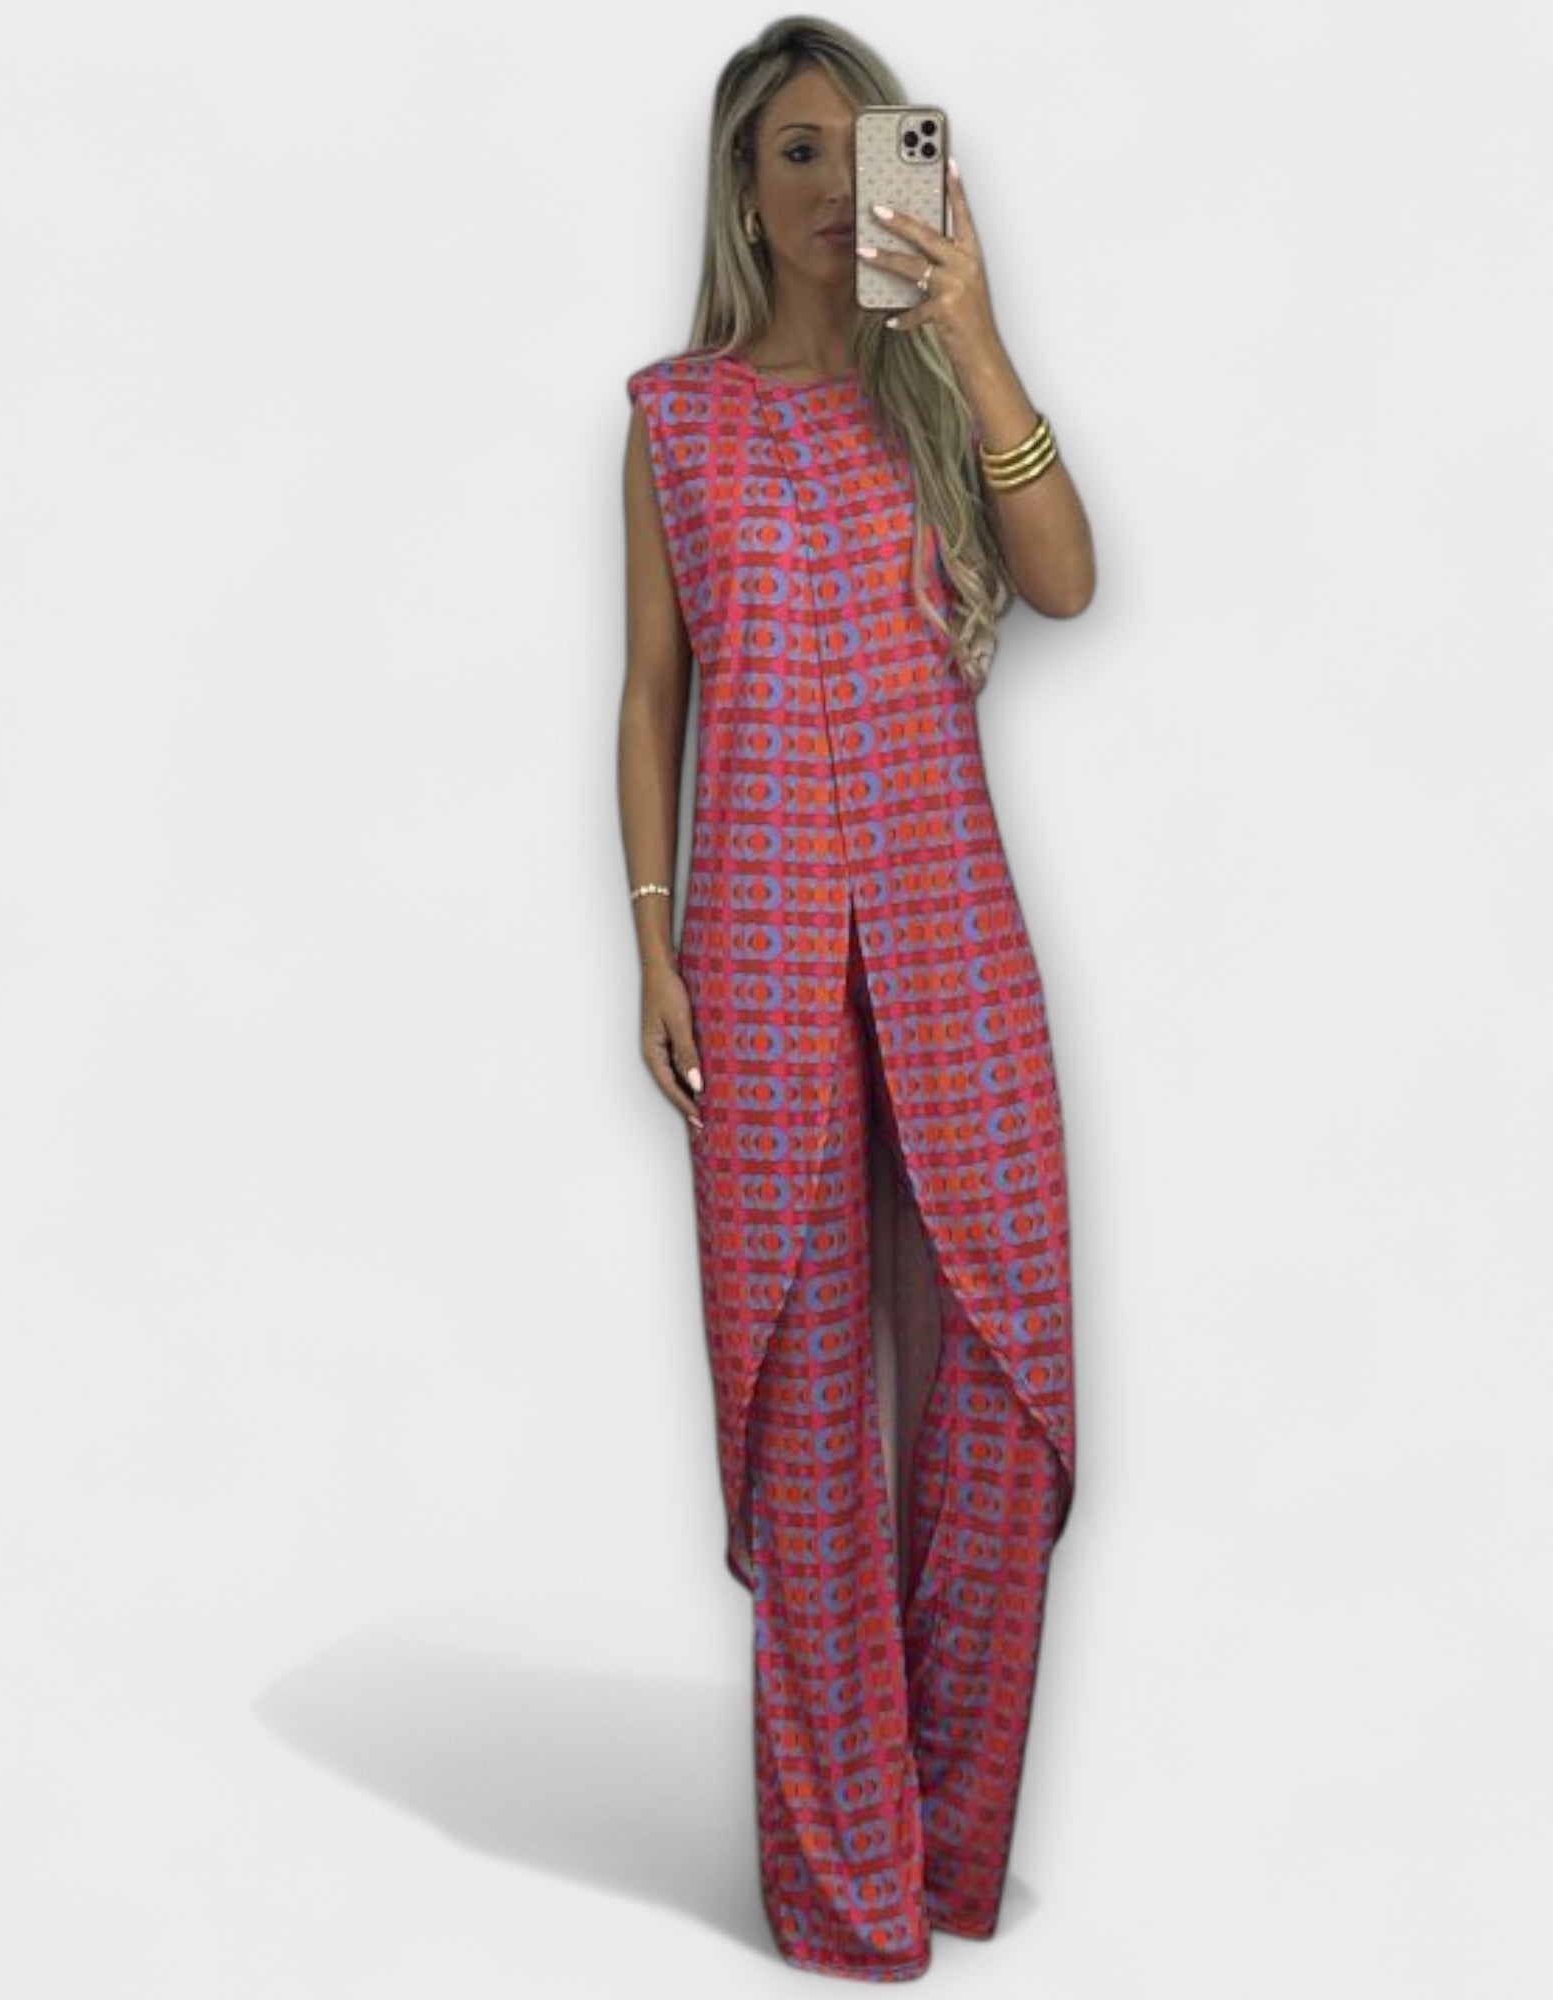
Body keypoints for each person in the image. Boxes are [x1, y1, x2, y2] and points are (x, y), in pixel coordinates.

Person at [617, 14, 1095, 1981]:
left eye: (862, 149)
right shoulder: (673, 418)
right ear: (744, 190)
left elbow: (1065, 581)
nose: (832, 188)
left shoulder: (936, 396)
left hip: (950, 925)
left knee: (999, 1378)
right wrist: (649, 936)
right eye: (794, 154)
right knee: (807, 1394)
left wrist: (971, 334)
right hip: (752, 938)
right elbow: (653, 694)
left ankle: (949, 1841)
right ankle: (842, 1885)